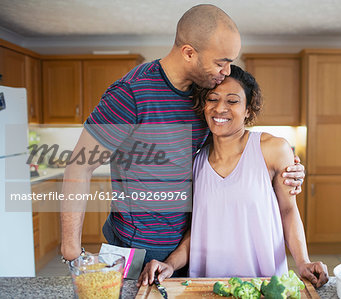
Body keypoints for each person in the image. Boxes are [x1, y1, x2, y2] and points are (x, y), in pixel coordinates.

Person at [60, 4, 305, 281]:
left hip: (189, 249)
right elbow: (79, 167)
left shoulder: (204, 93)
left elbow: (235, 142)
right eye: (221, 62)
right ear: (189, 53)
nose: (226, 71)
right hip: (137, 248)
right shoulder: (131, 94)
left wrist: (288, 168)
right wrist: (71, 251)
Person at [139, 65, 329, 288]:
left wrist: (303, 261)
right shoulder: (195, 161)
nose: (220, 108)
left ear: (248, 108)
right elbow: (199, 230)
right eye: (212, 99)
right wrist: (170, 264)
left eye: (232, 101)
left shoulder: (272, 149)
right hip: (206, 286)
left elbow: (288, 210)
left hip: (263, 284)